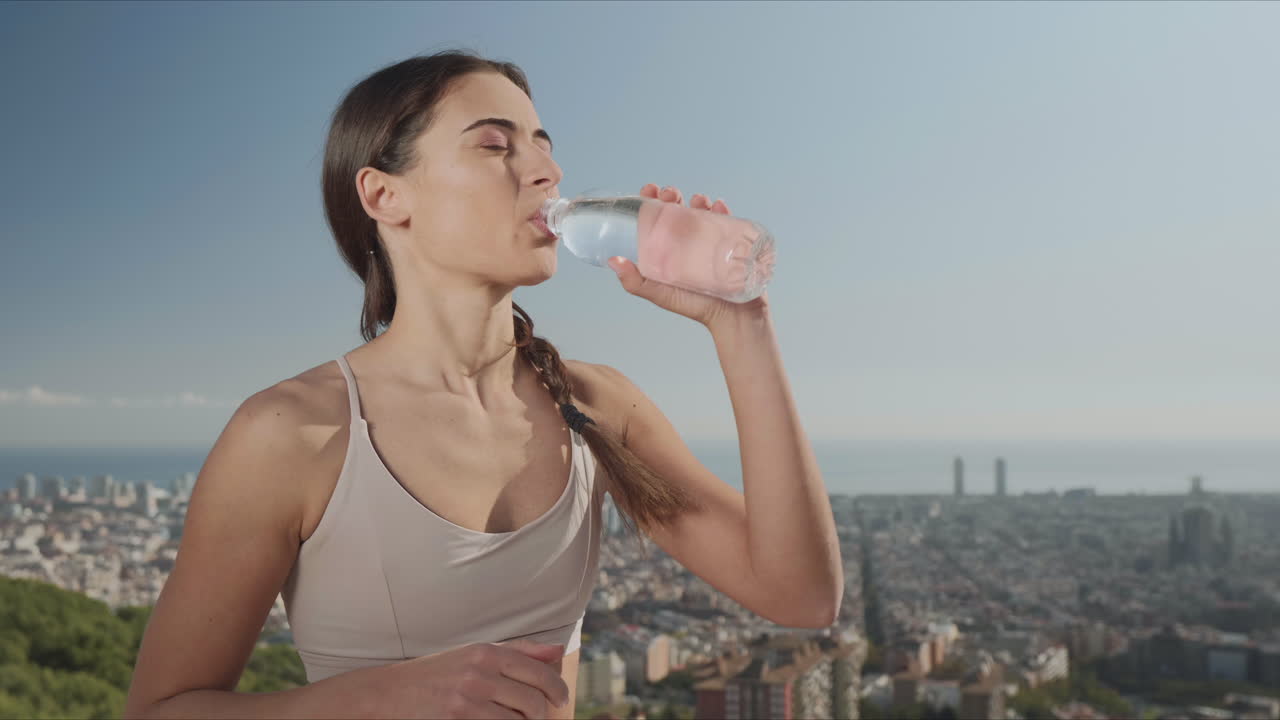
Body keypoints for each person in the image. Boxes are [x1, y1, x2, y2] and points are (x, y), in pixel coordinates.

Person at [122, 49, 842, 720]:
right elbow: (162, 708)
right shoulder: (293, 433)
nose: (545, 172)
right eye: (496, 146)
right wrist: (382, 695)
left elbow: (802, 595)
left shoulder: (594, 406)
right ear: (384, 195)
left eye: (543, 145)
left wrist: (741, 327)